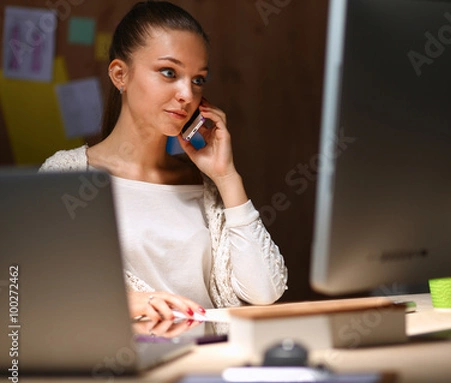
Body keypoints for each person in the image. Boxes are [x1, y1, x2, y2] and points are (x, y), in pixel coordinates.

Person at [39, 1, 288, 332]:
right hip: (125, 369)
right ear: (120, 74)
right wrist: (128, 302)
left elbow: (266, 292)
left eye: (198, 79)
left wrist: (226, 177)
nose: (187, 94)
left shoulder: (205, 185)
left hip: (211, 362)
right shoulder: (66, 175)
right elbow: (38, 291)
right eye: (169, 73)